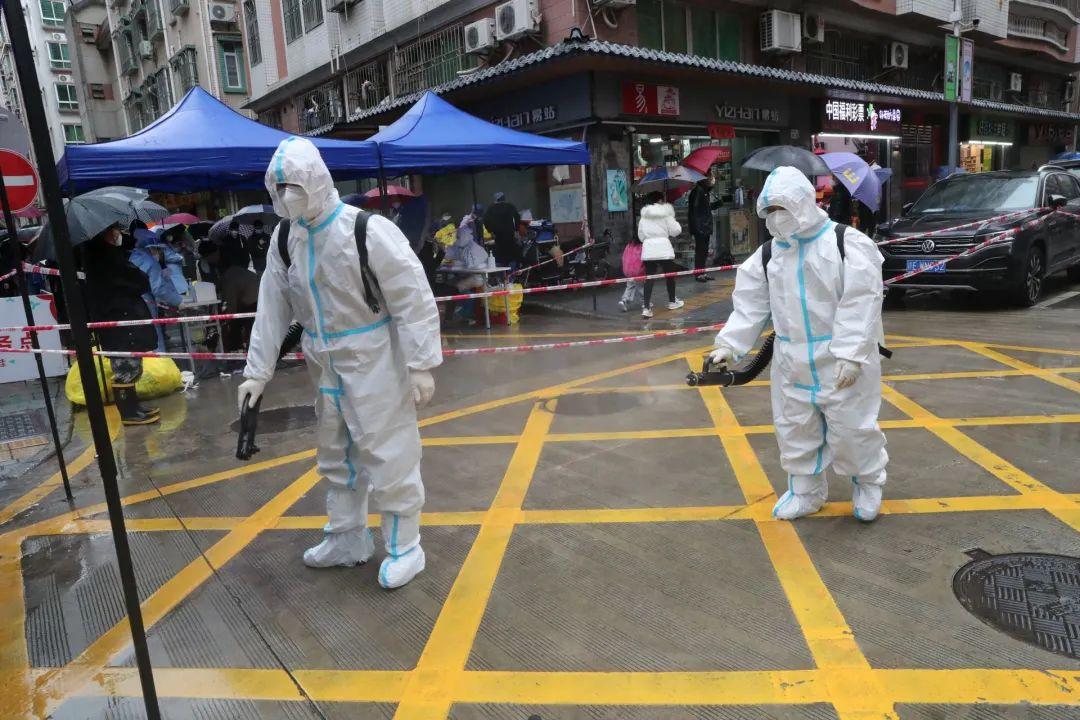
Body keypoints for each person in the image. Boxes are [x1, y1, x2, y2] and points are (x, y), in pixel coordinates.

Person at [239, 137, 442, 589]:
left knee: (388, 451)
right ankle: (347, 538)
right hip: (322, 360)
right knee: (336, 453)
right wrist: (257, 372)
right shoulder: (286, 238)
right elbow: (272, 307)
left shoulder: (365, 230)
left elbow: (411, 295)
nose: (286, 198)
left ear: (315, 181)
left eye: (293, 187)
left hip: (374, 357)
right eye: (278, 189)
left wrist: (421, 363)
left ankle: (405, 547)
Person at [709, 166, 888, 522]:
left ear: (804, 203)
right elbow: (749, 306)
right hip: (791, 359)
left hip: (840, 356)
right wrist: (729, 345)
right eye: (770, 210)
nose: (777, 217)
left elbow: (862, 300)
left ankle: (868, 483)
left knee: (853, 429)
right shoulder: (768, 256)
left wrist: (851, 354)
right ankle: (806, 491)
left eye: (783, 207)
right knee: (794, 429)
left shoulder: (846, 243)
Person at [81, 224, 160, 425]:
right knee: (125, 368)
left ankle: (134, 407)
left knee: (132, 366)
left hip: (124, 319)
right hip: (119, 323)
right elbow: (136, 281)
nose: (118, 234)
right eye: (115, 230)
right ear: (105, 234)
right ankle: (129, 413)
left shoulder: (110, 256)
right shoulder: (104, 260)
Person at [129, 230, 184, 352]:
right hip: (146, 305)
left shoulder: (132, 257)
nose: (158, 252)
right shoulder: (151, 262)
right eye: (157, 249)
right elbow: (158, 288)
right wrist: (178, 301)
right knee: (155, 338)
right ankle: (160, 360)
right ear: (151, 248)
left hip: (132, 306)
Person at [637, 191, 684, 319]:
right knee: (669, 276)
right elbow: (676, 230)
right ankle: (672, 301)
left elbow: (641, 236)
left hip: (649, 250)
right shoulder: (666, 213)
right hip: (664, 249)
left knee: (649, 278)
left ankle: (646, 308)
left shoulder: (644, 216)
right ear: (660, 200)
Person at [687, 174, 721, 282]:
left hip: (704, 226)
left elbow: (705, 208)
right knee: (700, 251)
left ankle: (702, 272)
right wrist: (698, 228)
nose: (711, 180)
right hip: (701, 227)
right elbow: (695, 211)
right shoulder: (698, 191)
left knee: (704, 251)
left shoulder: (704, 191)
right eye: (709, 178)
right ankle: (699, 274)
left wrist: (716, 204)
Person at [483, 192, 521, 269]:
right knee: (511, 253)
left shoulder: (491, 208)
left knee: (500, 254)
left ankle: (501, 272)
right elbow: (517, 218)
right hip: (509, 233)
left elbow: (485, 220)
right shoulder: (510, 206)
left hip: (498, 235)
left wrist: (490, 231)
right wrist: (516, 230)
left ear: (496, 199)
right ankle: (512, 272)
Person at [618, 235, 645, 312]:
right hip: (638, 271)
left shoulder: (628, 246)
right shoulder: (642, 246)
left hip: (628, 271)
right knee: (641, 287)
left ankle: (623, 301)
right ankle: (645, 302)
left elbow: (624, 257)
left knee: (629, 286)